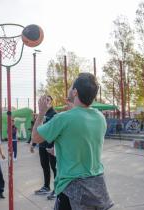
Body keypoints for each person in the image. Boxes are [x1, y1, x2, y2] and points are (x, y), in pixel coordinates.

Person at [32, 73, 113, 210]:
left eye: (71, 87)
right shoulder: (100, 117)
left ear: (75, 92)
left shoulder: (63, 118)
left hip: (72, 190)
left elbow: (35, 137)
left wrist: (41, 113)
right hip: (98, 187)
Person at [31, 95, 57, 200]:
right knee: (44, 166)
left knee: (55, 168)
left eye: (47, 100)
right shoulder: (41, 115)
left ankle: (57, 189)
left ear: (51, 102)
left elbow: (56, 129)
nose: (44, 102)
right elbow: (37, 130)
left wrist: (55, 147)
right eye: (41, 100)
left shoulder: (54, 114)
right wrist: (33, 143)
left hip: (51, 146)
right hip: (42, 145)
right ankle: (46, 186)